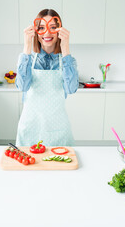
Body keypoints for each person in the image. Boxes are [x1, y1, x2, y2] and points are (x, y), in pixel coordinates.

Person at [15, 9, 78, 147]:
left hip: (59, 131)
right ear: (36, 31)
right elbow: (22, 86)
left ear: (59, 31)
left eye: (53, 27)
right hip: (30, 129)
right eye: (42, 28)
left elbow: (71, 88)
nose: (48, 33)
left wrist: (65, 47)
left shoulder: (68, 61)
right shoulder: (28, 59)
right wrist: (27, 45)